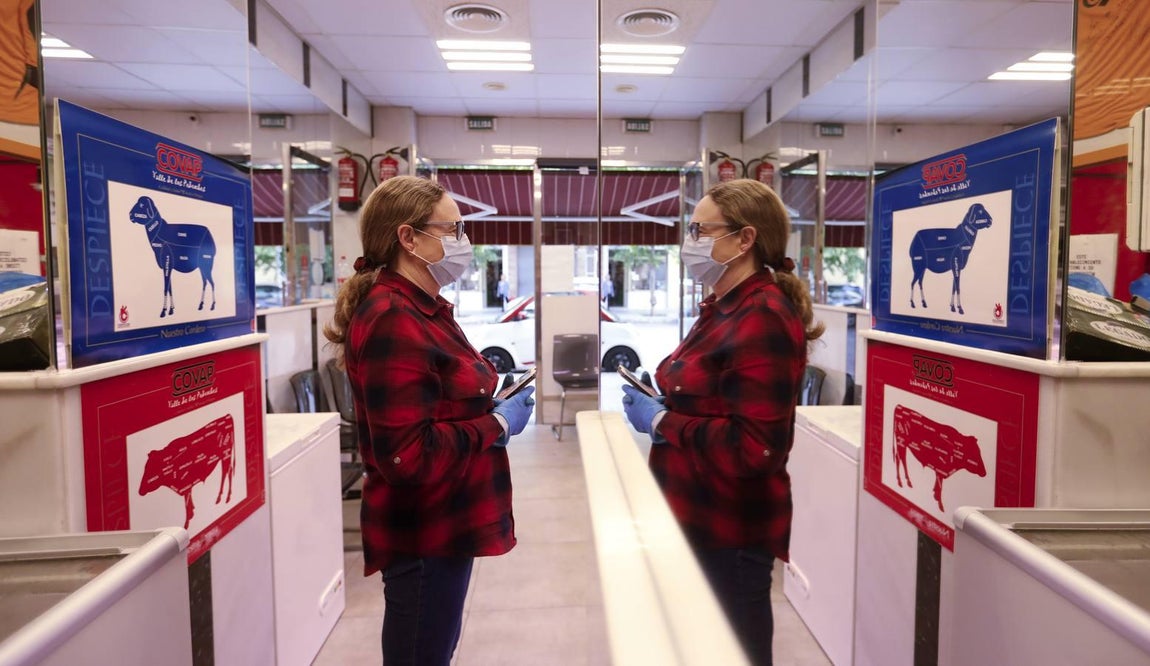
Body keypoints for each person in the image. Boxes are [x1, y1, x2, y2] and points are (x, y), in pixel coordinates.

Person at [323, 176, 536, 665]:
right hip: (423, 534)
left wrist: (488, 403)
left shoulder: (425, 308)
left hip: (446, 524)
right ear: (409, 238)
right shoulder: (394, 317)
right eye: (453, 228)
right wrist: (497, 426)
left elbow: (437, 401)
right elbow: (407, 456)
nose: (464, 241)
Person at [619, 179, 823, 666]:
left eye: (699, 230)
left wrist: (662, 423)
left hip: (730, 527)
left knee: (733, 650)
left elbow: (756, 449)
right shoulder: (722, 306)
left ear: (744, 239)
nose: (690, 242)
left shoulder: (764, 316)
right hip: (695, 515)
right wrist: (664, 396)